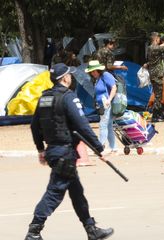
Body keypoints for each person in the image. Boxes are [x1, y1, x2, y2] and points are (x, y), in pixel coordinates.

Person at [25, 63, 114, 240]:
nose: (71, 78)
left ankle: (91, 229)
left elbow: (34, 126)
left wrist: (41, 149)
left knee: (76, 192)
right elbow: (82, 125)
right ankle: (33, 232)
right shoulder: (68, 97)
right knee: (54, 192)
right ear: (64, 78)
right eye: (69, 75)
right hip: (64, 153)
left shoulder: (44, 98)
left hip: (55, 151)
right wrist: (99, 149)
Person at [85, 60, 118, 154]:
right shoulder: (98, 78)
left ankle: (99, 147)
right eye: (91, 71)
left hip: (106, 104)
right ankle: (113, 147)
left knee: (103, 125)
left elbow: (114, 87)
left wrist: (109, 100)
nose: (92, 73)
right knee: (109, 126)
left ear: (99, 70)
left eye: (94, 71)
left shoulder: (106, 75)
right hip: (101, 105)